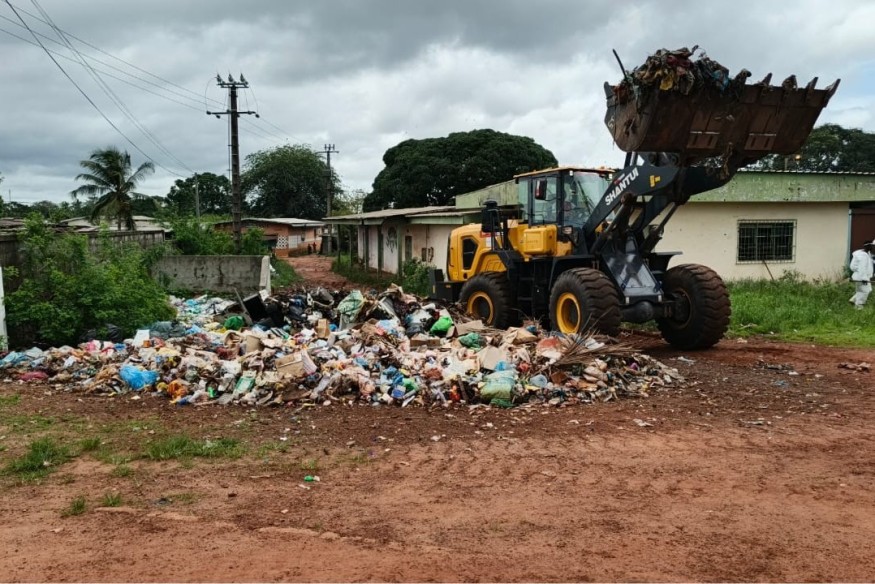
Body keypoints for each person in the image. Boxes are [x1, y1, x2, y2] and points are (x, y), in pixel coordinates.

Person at [849, 241, 874, 309]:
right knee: (864, 291)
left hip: (861, 276)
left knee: (866, 290)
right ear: (867, 246)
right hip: (861, 277)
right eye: (871, 246)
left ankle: (853, 300)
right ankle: (858, 306)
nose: (872, 247)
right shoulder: (863, 256)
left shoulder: (865, 254)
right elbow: (862, 268)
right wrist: (864, 279)